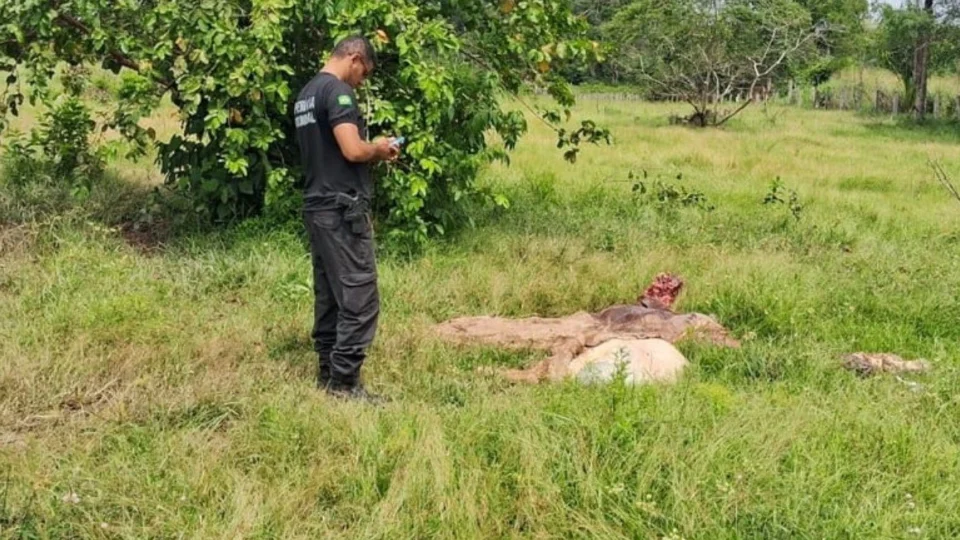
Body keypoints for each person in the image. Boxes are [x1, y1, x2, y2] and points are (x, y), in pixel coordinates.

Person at [293, 35, 398, 402]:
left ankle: (327, 374)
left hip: (317, 206)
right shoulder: (337, 92)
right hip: (341, 209)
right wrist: (380, 149)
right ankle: (344, 384)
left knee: (330, 296)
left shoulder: (306, 93)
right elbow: (352, 150)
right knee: (360, 295)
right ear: (354, 58)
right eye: (363, 73)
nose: (361, 81)